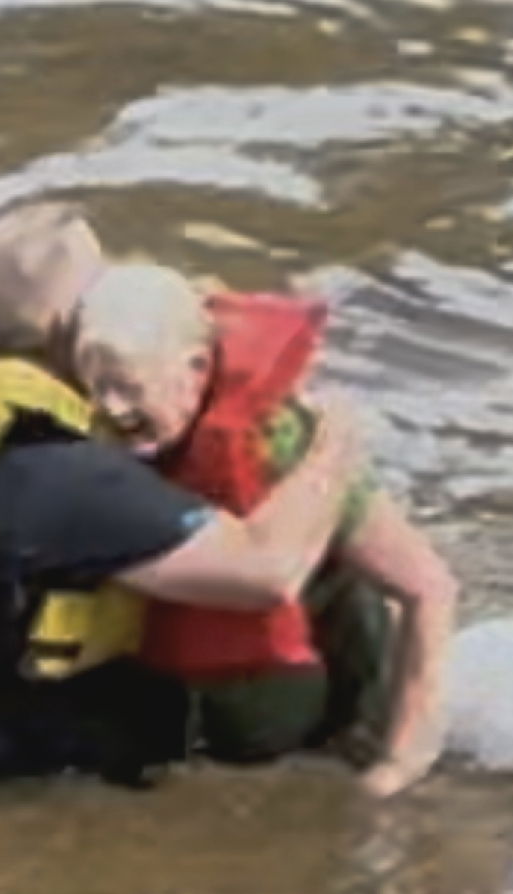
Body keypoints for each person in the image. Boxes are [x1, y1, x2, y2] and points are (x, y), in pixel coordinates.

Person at [0, 202, 362, 789]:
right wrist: (334, 442)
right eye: (101, 288)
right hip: (23, 779)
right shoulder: (62, 475)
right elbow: (265, 572)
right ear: (64, 323)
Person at [71, 262, 459, 798]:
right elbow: (6, 321)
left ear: (195, 368)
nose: (110, 408)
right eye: (97, 387)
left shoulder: (281, 444)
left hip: (292, 698)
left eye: (129, 387)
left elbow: (428, 587)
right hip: (168, 707)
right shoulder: (87, 418)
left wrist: (397, 766)